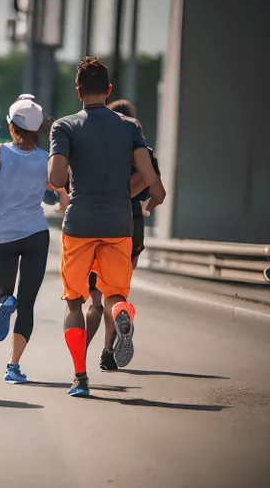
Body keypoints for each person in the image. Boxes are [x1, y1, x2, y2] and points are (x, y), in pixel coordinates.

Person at [48, 56, 166, 397]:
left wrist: (62, 161)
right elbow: (154, 184)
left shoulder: (65, 127)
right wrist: (149, 204)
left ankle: (80, 378)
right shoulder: (130, 127)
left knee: (74, 302)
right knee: (114, 293)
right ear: (109, 90)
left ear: (78, 90)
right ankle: (123, 312)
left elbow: (56, 177)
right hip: (119, 223)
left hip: (80, 223)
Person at [0, 94, 52, 384]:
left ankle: (4, 301)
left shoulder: (0, 152)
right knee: (27, 305)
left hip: (4, 232)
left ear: (12, 128)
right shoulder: (46, 159)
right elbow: (58, 191)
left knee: (6, 294)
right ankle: (13, 367)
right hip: (37, 233)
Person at [85, 99, 161, 371]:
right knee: (116, 292)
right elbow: (155, 191)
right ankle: (108, 349)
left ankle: (79, 354)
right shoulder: (145, 152)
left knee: (95, 296)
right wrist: (144, 204)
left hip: (98, 221)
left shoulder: (98, 148)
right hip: (132, 226)